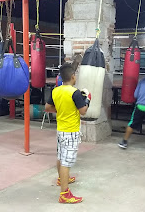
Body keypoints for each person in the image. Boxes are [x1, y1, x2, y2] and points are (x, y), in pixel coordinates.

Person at [45, 63, 90, 204]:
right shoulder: (75, 92)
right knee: (66, 161)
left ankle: (61, 179)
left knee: (60, 156)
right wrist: (87, 99)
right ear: (72, 76)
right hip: (71, 131)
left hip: (60, 130)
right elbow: (83, 111)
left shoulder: (56, 90)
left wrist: (63, 109)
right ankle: (64, 194)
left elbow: (47, 108)